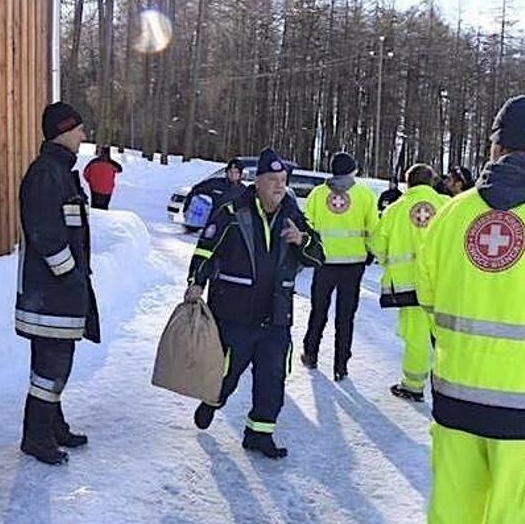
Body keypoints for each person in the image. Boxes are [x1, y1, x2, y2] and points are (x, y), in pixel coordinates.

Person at [417, 95, 525, 524]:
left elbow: (430, 297)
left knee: (454, 499)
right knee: (516, 513)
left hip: (456, 394)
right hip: (523, 408)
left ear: (497, 144)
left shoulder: (454, 213)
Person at [184, 147, 324, 458]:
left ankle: (259, 434)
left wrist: (302, 241)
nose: (279, 185)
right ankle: (212, 401)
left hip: (275, 317)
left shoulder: (294, 215)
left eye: (283, 179)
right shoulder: (233, 212)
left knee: (272, 378)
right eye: (273, 179)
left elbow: (318, 256)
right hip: (234, 313)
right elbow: (206, 249)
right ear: (257, 181)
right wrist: (196, 282)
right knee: (227, 372)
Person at [16, 102, 99, 465]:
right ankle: (36, 437)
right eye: (79, 128)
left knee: (54, 366)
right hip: (50, 298)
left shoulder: (60, 171)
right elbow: (45, 232)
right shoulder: (47, 173)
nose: (83, 135)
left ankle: (53, 425)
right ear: (64, 131)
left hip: (55, 296)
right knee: (50, 369)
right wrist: (69, 275)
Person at [370, 163, 448, 402]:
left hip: (409, 287)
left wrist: (389, 264)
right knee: (446, 336)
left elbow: (376, 244)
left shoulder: (395, 210)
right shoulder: (447, 206)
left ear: (408, 182)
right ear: (432, 181)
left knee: (416, 337)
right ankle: (451, 385)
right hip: (443, 285)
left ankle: (413, 385)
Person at [300, 152, 378, 380]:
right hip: (353, 265)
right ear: (352, 170)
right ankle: (341, 364)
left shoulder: (317, 194)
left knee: (318, 310)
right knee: (346, 316)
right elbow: (373, 228)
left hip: (324, 263)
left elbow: (308, 225)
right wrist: (371, 252)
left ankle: (311, 352)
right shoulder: (365, 194)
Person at [182, 157, 247, 223]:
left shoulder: (243, 190)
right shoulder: (214, 183)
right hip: (209, 226)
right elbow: (195, 191)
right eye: (230, 171)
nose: (233, 175)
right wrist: (186, 209)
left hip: (228, 226)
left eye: (236, 172)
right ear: (226, 172)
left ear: (240, 174)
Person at [83, 145, 123, 209]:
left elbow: (85, 173)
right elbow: (120, 169)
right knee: (104, 207)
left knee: (94, 206)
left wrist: (90, 181)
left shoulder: (93, 162)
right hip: (107, 190)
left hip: (94, 188)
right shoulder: (112, 164)